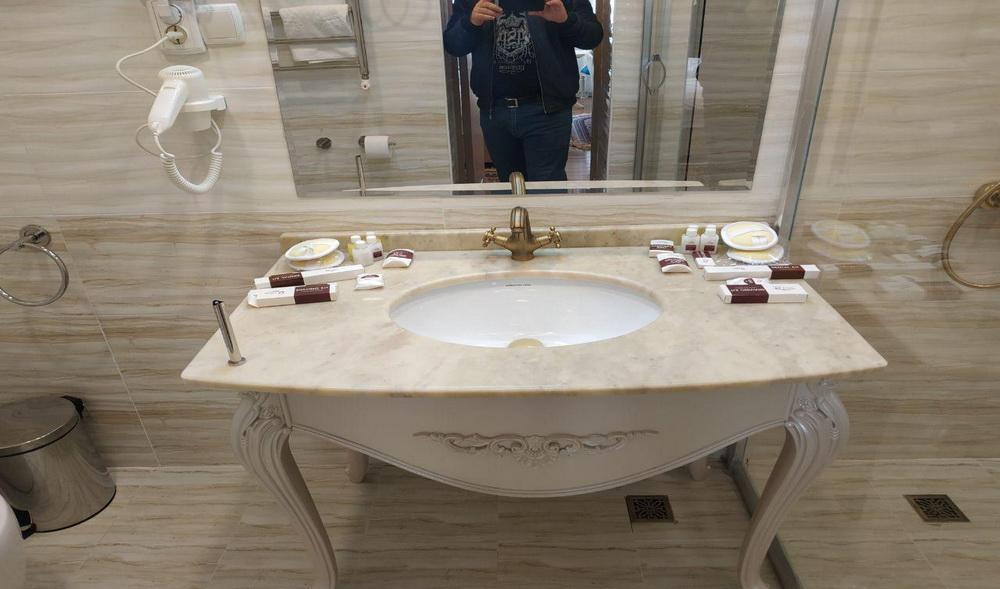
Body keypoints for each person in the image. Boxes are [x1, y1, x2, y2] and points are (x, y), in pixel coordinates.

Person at [444, 0, 603, 182]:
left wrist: (566, 20)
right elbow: (453, 46)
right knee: (509, 184)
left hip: (549, 111)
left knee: (548, 187)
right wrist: (470, 22)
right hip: (495, 111)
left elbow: (593, 37)